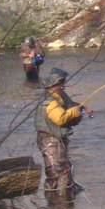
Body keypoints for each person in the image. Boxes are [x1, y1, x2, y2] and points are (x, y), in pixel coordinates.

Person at [36, 68, 88, 200]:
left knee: (60, 169)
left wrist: (82, 108)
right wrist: (75, 111)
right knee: (60, 171)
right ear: (52, 86)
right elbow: (61, 118)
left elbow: (69, 106)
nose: (63, 87)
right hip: (50, 139)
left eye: (63, 84)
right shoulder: (49, 101)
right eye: (60, 85)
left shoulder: (59, 96)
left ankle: (58, 200)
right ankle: (61, 201)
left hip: (56, 138)